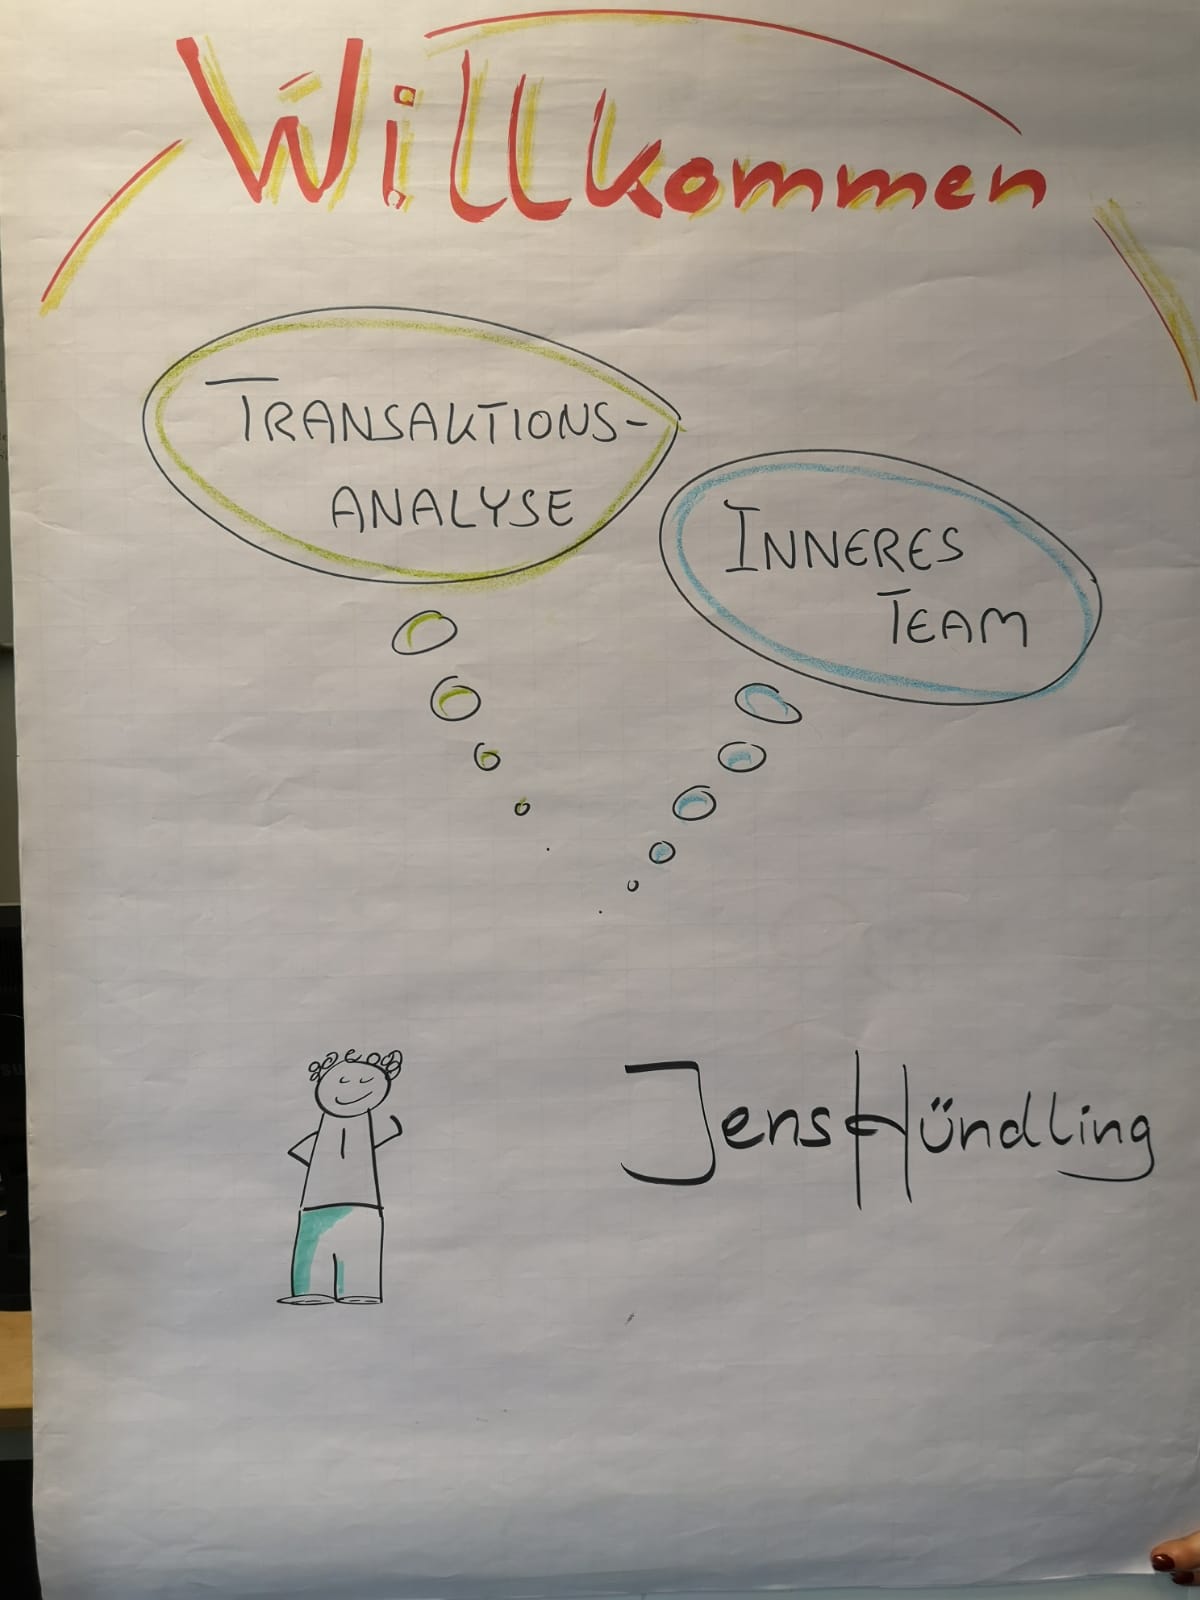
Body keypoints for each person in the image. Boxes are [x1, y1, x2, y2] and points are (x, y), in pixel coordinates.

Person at [277, 1047, 404, 1306]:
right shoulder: (329, 1132)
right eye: (343, 1081)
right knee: (315, 1255)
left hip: (360, 1205)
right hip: (320, 1206)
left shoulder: (368, 1127)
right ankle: (312, 1289)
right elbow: (303, 1151)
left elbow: (302, 1152)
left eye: (365, 1082)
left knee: (357, 1258)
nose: (352, 1089)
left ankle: (355, 1289)